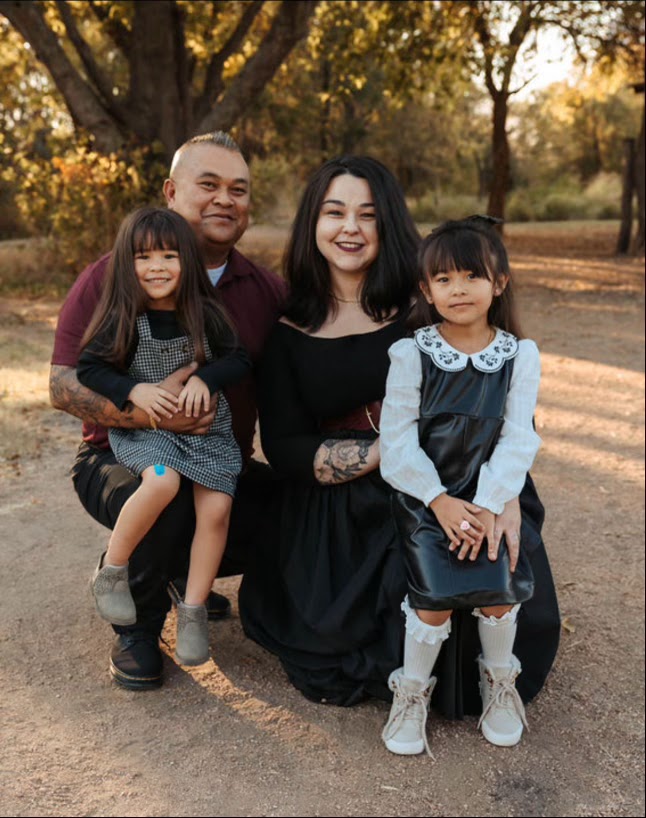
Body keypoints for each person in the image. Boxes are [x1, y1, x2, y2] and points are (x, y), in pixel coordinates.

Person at [50, 132, 286, 688]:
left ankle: (188, 581)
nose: (225, 199)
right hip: (118, 457)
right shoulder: (112, 276)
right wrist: (150, 411)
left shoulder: (264, 289)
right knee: (168, 490)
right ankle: (138, 623)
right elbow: (63, 385)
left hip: (215, 453)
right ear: (172, 192)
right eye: (209, 184)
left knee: (294, 507)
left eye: (238, 189)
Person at [379, 216, 560, 755]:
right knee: (433, 598)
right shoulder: (411, 353)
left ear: (499, 282)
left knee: (499, 592)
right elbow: (396, 442)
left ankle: (498, 682)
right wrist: (439, 501)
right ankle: (412, 691)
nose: (458, 289)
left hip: (491, 498)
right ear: (426, 289)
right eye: (443, 279)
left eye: (472, 276)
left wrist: (487, 505)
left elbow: (518, 437)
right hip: (427, 498)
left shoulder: (519, 356)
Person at [78, 207, 250, 666]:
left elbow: (238, 359)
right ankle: (112, 570)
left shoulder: (205, 313)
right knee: (161, 482)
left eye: (169, 256)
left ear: (187, 261)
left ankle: (193, 609)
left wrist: (207, 378)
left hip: (208, 433)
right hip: (149, 435)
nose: (157, 267)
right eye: (144, 257)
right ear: (126, 263)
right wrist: (132, 390)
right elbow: (89, 368)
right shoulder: (122, 316)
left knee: (217, 509)